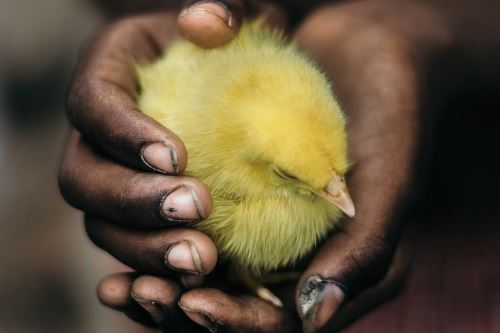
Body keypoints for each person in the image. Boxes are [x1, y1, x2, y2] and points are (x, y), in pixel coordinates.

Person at [58, 0, 500, 331]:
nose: (340, 193)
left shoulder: (298, 120)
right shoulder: (214, 180)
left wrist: (421, 28)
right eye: (292, 174)